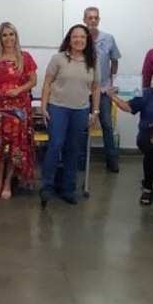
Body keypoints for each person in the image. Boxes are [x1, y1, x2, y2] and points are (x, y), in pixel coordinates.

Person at [38, 24, 100, 207]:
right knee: (55, 144)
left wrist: (95, 111)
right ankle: (47, 186)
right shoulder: (58, 58)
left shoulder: (92, 61)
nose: (79, 40)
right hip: (58, 108)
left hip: (81, 110)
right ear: (69, 39)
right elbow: (47, 83)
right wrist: (43, 106)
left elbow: (96, 88)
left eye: (82, 37)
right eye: (75, 37)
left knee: (74, 149)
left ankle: (68, 188)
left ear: (87, 40)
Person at [107, 62, 153, 204]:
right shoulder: (146, 94)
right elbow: (129, 107)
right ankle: (148, 188)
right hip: (148, 136)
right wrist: (113, 97)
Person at [0, 21, 38, 199]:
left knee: (15, 148)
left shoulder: (25, 57)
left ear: (16, 36)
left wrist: (19, 90)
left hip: (18, 111)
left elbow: (33, 81)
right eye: (4, 35)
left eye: (11, 34)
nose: (8, 38)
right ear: (0, 38)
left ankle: (8, 182)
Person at [83, 7, 122, 173]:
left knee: (106, 123)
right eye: (90, 18)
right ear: (84, 19)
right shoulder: (78, 37)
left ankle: (111, 160)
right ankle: (80, 160)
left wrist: (112, 80)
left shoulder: (108, 38)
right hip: (83, 89)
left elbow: (115, 60)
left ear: (99, 20)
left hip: (103, 88)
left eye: (96, 18)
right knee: (81, 124)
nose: (93, 21)